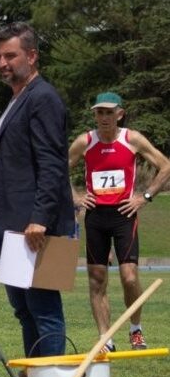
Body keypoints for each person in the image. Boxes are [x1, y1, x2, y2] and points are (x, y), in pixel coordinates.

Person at [0, 22, 75, 377]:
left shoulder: (43, 98)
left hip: (35, 227)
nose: (2, 63)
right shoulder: (18, 99)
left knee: (44, 310)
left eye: (10, 55)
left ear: (31, 56)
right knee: (23, 309)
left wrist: (40, 218)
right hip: (10, 227)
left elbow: (52, 162)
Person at [68, 92, 170, 352]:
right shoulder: (85, 141)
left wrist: (144, 197)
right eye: (99, 112)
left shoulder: (131, 138)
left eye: (109, 112)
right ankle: (105, 338)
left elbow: (165, 165)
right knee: (96, 278)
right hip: (96, 216)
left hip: (124, 214)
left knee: (129, 275)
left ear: (120, 114)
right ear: (94, 115)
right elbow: (58, 168)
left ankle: (135, 330)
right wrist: (76, 197)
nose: (104, 117)